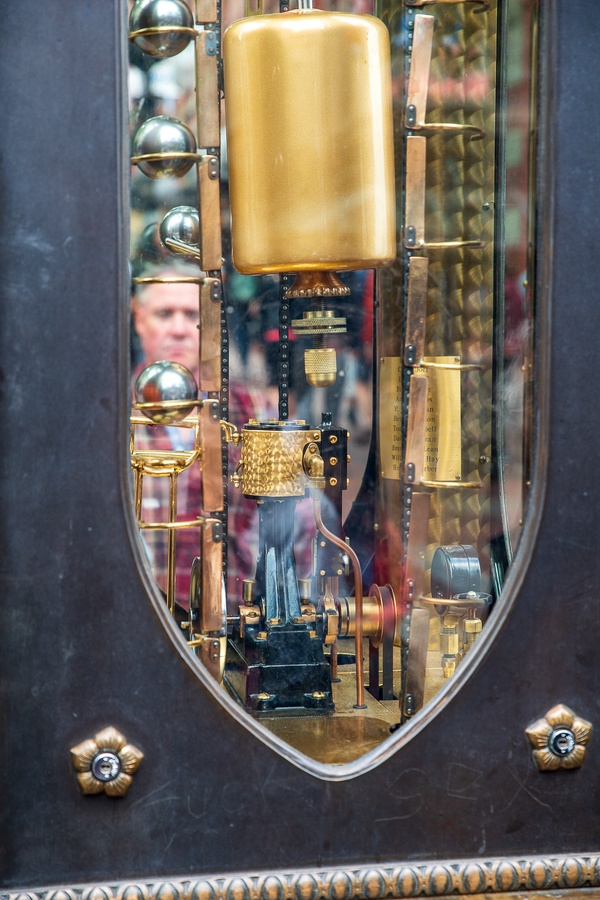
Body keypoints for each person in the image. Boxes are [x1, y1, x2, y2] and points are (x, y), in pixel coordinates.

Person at [131, 267, 274, 610]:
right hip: (139, 620)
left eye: (192, 314)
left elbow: (290, 527)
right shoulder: (110, 416)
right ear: (139, 320)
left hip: (235, 624)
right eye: (164, 314)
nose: (179, 330)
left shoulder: (253, 409)